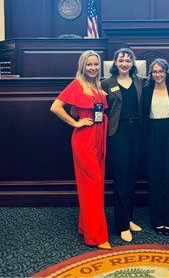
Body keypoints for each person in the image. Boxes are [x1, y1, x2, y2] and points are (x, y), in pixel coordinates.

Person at [50, 50, 111, 250]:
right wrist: (75, 123)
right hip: (84, 142)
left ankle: (86, 227)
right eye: (89, 64)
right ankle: (97, 236)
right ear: (82, 66)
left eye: (96, 64)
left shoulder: (97, 86)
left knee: (94, 187)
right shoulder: (77, 84)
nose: (93, 68)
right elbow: (55, 107)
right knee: (93, 186)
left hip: (99, 140)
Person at [101, 48, 143, 242]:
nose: (124, 63)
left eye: (128, 60)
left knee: (133, 175)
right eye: (121, 60)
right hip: (118, 133)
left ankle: (129, 217)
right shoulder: (106, 84)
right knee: (121, 178)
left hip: (137, 132)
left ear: (133, 63)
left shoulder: (139, 82)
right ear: (115, 63)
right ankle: (121, 224)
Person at [143, 58, 169, 236]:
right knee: (155, 178)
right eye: (154, 72)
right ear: (151, 74)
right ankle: (158, 220)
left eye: (161, 71)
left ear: (167, 73)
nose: (158, 74)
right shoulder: (145, 92)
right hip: (152, 134)